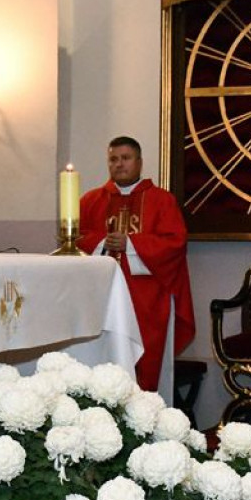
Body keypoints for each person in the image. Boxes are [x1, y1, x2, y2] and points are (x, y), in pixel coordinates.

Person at [77, 136, 195, 396]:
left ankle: (143, 417)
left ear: (139, 162)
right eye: (113, 159)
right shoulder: (90, 201)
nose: (119, 164)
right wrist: (103, 242)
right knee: (102, 362)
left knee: (145, 363)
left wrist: (130, 243)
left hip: (147, 298)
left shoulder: (162, 201)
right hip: (102, 297)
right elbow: (76, 240)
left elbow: (175, 243)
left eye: (125, 158)